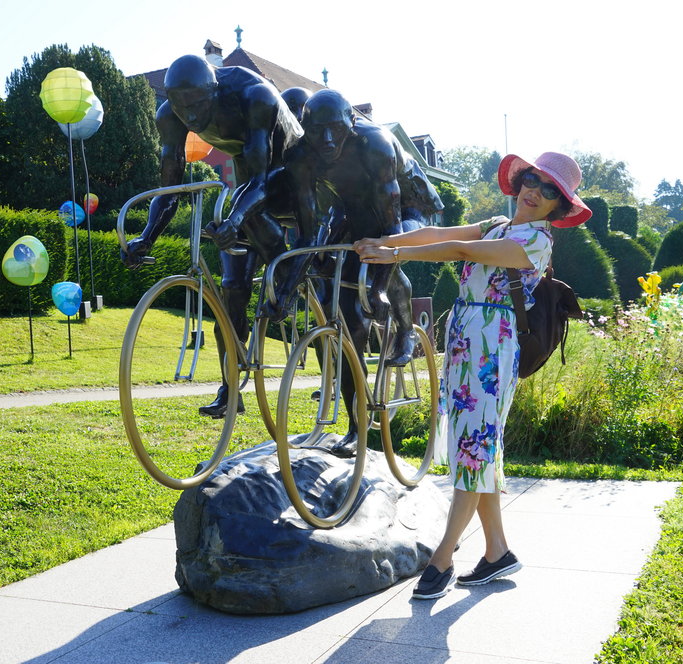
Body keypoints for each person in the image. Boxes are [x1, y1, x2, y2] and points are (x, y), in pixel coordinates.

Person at [353, 151, 592, 599]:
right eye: (532, 180)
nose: (534, 191)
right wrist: (386, 239)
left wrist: (395, 256)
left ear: (558, 206)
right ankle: (498, 552)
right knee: (478, 447)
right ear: (521, 180)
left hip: (492, 347)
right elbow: (441, 233)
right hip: (467, 338)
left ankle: (441, 560)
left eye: (548, 190)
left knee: (474, 448)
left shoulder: (538, 241)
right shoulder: (498, 226)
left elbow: (461, 251)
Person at [121, 54, 303, 418]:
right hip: (250, 183)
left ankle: (288, 279)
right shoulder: (169, 116)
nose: (189, 116)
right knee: (230, 291)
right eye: (180, 106)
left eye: (197, 105)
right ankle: (231, 388)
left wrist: (235, 219)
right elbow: (168, 189)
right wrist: (146, 237)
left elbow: (262, 181)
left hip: (293, 177)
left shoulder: (254, 97)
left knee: (242, 209)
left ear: (215, 91)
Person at [273, 89, 443, 455]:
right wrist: (287, 287)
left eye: (335, 129)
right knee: (349, 318)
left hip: (409, 208)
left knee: (383, 258)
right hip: (354, 210)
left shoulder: (376, 145)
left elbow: (394, 228)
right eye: (318, 132)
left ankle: (404, 331)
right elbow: (308, 230)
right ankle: (357, 426)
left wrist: (378, 287)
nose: (328, 141)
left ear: (351, 123)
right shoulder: (301, 157)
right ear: (305, 129)